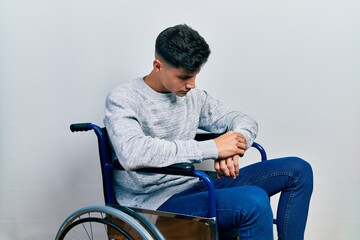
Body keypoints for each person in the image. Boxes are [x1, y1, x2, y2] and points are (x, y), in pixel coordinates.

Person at [104, 24, 313, 240]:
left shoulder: (194, 97)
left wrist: (232, 147)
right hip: (153, 201)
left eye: (195, 76)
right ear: (158, 66)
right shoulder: (124, 98)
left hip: (194, 184)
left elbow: (243, 120)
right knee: (253, 200)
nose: (192, 85)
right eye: (184, 77)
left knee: (298, 170)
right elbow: (133, 153)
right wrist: (213, 148)